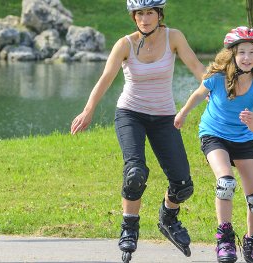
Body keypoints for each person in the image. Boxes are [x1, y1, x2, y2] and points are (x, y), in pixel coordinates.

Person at [68, 0, 206, 261]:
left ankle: (168, 218)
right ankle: (129, 227)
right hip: (131, 114)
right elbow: (106, 78)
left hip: (165, 116)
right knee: (135, 172)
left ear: (159, 14)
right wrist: (88, 110)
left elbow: (198, 69)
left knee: (183, 184)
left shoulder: (173, 37)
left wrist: (215, 90)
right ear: (134, 17)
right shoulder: (125, 44)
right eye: (140, 13)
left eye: (150, 13)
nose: (145, 18)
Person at [174, 26, 253, 263]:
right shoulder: (217, 76)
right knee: (226, 183)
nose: (247, 58)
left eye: (252, 53)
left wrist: (251, 120)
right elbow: (197, 94)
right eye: (242, 52)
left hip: (244, 138)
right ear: (232, 55)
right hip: (214, 134)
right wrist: (183, 113)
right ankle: (224, 241)